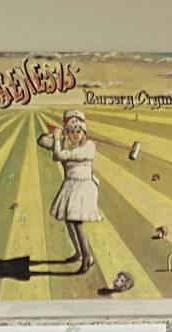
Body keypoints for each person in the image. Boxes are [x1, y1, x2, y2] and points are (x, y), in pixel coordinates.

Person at [39, 110, 104, 275]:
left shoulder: (89, 147)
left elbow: (57, 156)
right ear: (67, 132)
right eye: (71, 131)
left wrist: (58, 141)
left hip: (83, 186)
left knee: (76, 222)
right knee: (69, 220)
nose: (75, 134)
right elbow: (41, 141)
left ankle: (87, 257)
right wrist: (55, 135)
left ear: (84, 131)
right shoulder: (66, 143)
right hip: (71, 185)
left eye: (78, 131)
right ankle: (79, 253)